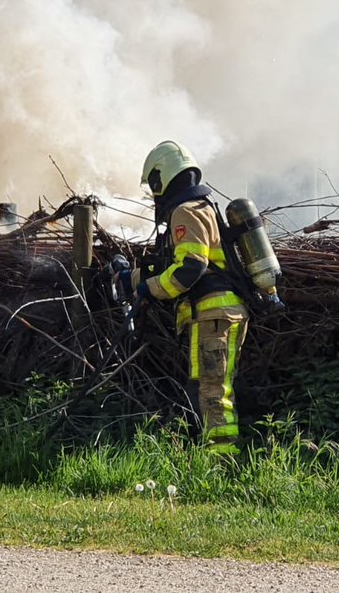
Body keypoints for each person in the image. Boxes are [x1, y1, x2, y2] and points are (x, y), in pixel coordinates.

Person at [126, 140, 248, 455]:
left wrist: (147, 289)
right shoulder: (202, 208)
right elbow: (178, 265)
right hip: (217, 315)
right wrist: (137, 277)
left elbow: (190, 269)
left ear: (160, 178)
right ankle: (210, 456)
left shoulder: (185, 211)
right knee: (206, 389)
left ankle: (221, 465)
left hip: (213, 316)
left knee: (212, 393)